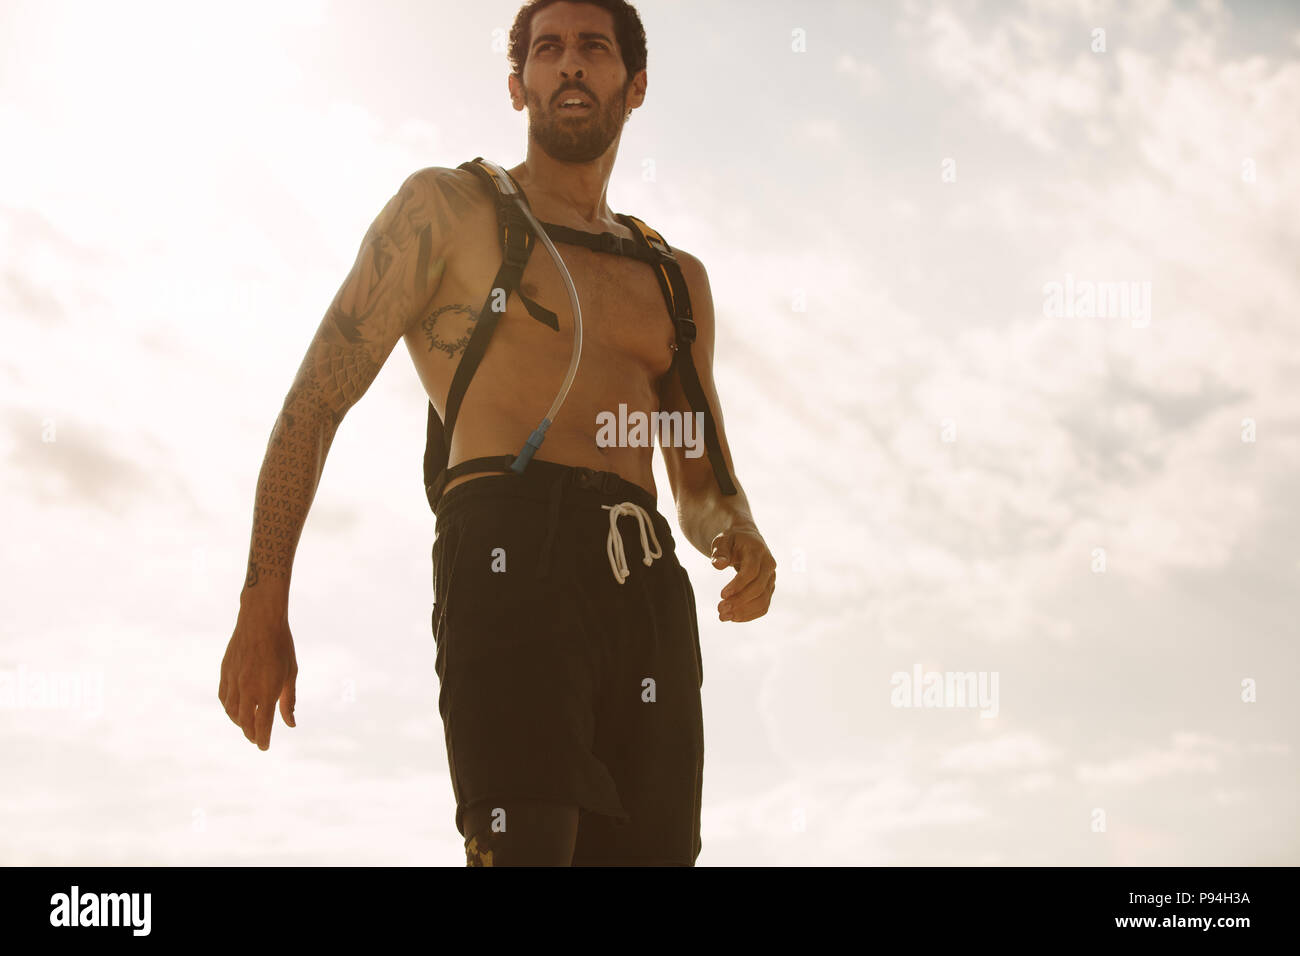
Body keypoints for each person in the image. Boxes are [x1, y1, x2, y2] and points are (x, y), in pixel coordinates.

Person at [218, 0, 775, 866]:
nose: (571, 65)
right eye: (548, 50)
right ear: (518, 86)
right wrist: (263, 603)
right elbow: (314, 404)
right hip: (512, 552)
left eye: (594, 47)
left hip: (647, 583)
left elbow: (701, 485)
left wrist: (739, 537)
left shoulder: (674, 279)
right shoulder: (445, 210)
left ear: (635, 87)